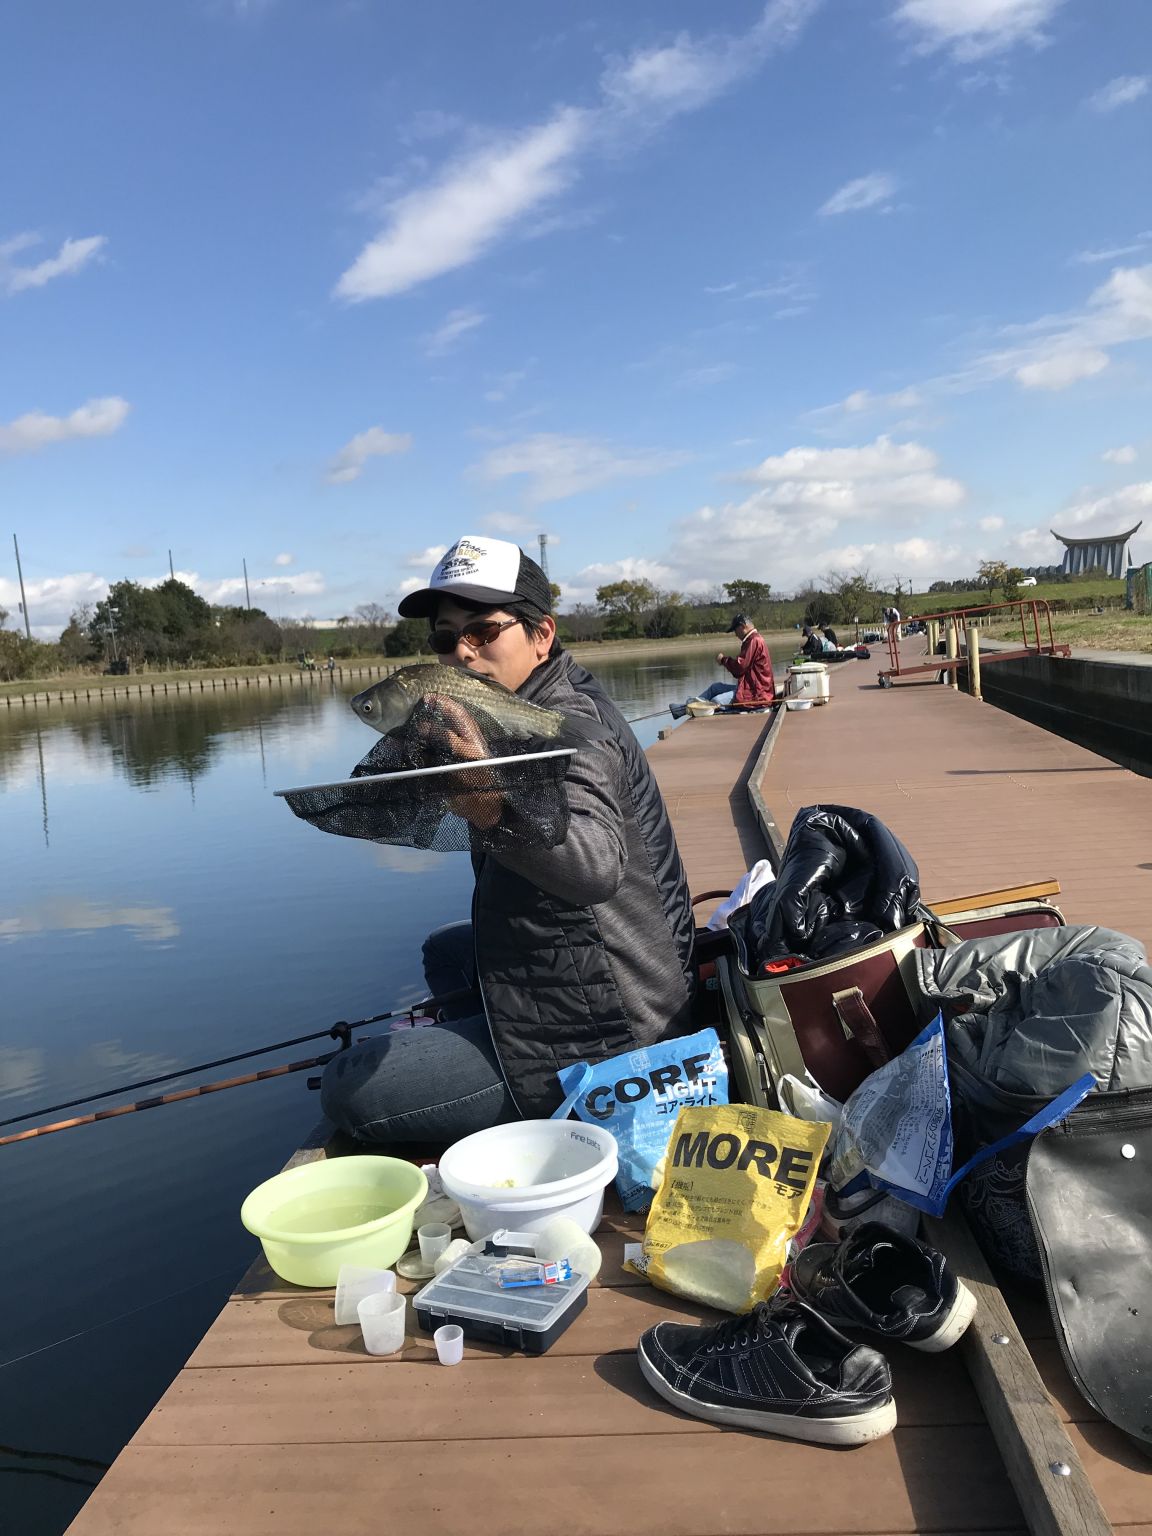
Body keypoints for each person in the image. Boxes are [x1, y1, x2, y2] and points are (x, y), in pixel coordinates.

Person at [320, 535, 697, 1142]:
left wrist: (489, 801)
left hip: (616, 1029)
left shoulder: (572, 730)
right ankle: (486, 1043)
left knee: (349, 1089)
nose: (463, 652)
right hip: (594, 966)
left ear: (541, 634)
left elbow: (594, 869)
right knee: (445, 950)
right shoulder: (508, 708)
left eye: (484, 631)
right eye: (446, 637)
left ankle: (537, 1099)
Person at [669, 613, 776, 718]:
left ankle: (685, 709)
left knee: (716, 701)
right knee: (715, 688)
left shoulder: (754, 640)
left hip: (757, 695)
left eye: (735, 630)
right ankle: (684, 708)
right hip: (750, 688)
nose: (735, 634)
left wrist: (723, 660)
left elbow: (739, 668)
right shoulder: (752, 639)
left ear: (743, 626)